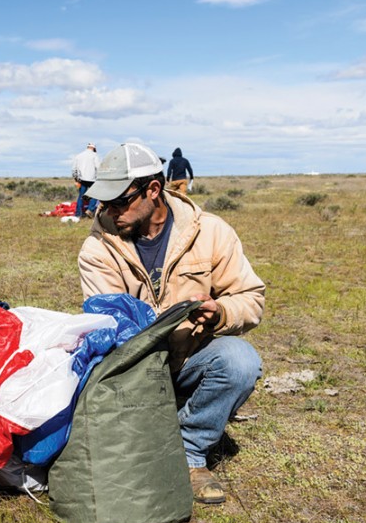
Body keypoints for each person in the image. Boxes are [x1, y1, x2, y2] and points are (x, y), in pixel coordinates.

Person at [77, 142, 264, 504]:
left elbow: (251, 298)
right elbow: (109, 326)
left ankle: (191, 451)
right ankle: (153, 430)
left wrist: (221, 313)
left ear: (153, 190)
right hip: (132, 368)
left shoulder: (211, 231)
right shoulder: (98, 249)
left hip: (191, 356)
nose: (109, 211)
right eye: (105, 202)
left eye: (119, 201)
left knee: (241, 362)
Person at [71, 142, 100, 218]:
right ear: (93, 148)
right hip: (92, 179)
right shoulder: (94, 155)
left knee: (81, 197)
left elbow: (74, 169)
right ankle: (90, 209)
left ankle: (78, 214)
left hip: (81, 179)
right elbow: (98, 167)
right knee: (95, 195)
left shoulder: (79, 155)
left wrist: (76, 179)